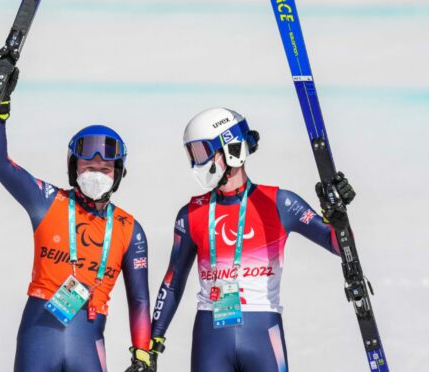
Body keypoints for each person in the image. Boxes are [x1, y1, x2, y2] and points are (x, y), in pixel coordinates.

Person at [148, 108, 356, 372]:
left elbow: (339, 245)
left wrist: (339, 218)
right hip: (210, 335)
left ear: (232, 149)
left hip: (263, 332)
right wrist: (151, 343)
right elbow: (173, 282)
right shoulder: (191, 213)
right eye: (193, 155)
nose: (197, 165)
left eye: (202, 153)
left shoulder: (280, 203)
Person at [0, 59, 154, 372]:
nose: (96, 175)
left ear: (118, 174)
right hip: (38, 334)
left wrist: (142, 355)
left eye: (105, 169)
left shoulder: (129, 229)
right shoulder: (48, 201)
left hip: (87, 342)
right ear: (74, 168)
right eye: (88, 167)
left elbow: (139, 299)